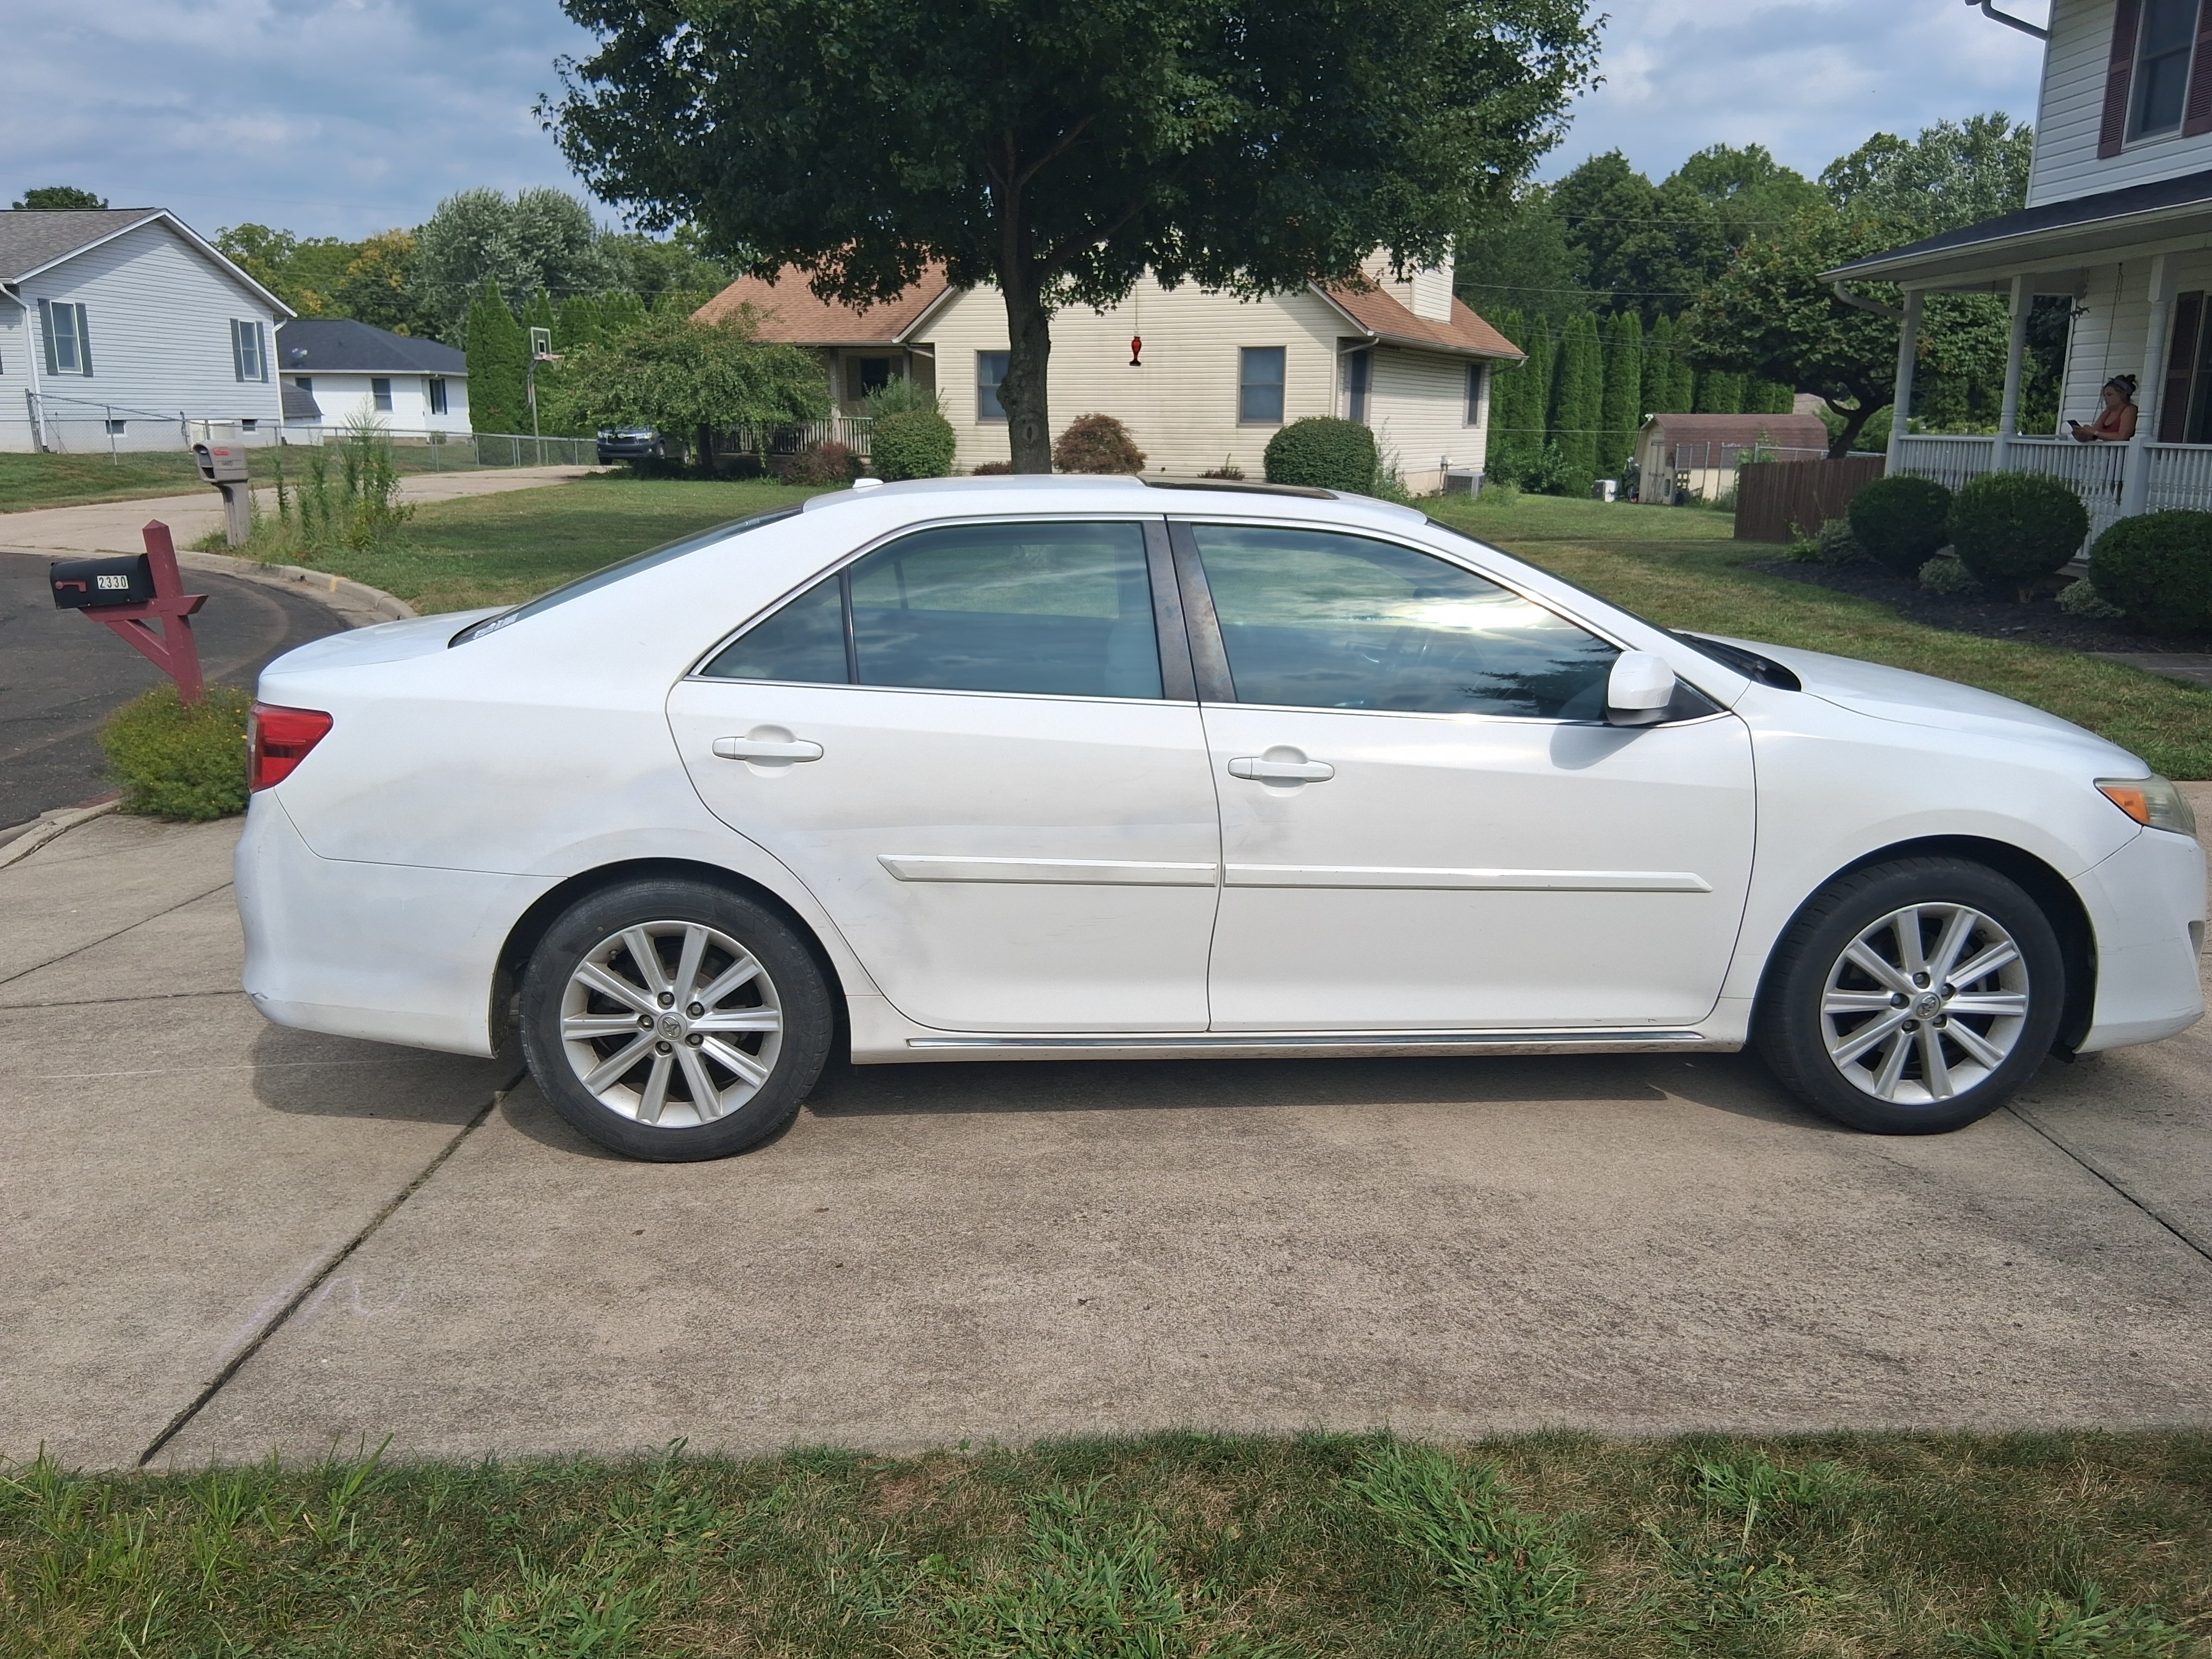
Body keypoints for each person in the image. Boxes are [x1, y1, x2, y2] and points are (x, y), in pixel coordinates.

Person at [2068, 376, 2139, 442]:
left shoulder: (2129, 410)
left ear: (2123, 395)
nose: (2105, 398)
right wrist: (2083, 435)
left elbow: (2122, 436)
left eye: (2109, 395)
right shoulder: (2107, 412)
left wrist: (2094, 432)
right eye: (2104, 395)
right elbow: (2094, 435)